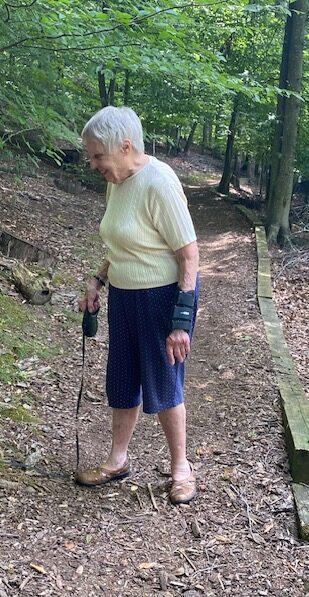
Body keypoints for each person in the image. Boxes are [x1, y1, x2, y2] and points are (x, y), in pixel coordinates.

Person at [76, 106, 200, 505]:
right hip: (125, 297)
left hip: (163, 298)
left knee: (164, 382)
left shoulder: (158, 182)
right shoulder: (117, 180)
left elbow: (190, 254)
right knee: (123, 378)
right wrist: (98, 280)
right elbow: (120, 243)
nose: (93, 164)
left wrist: (181, 320)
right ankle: (118, 460)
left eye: (98, 155)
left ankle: (181, 467)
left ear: (125, 146)